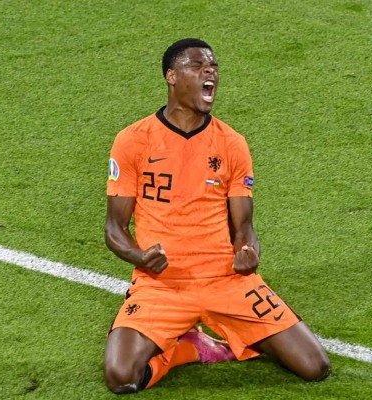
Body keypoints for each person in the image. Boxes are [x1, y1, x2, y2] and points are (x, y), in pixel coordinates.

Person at [103, 38, 330, 394]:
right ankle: (188, 348)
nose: (210, 72)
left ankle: (232, 332)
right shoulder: (134, 140)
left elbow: (244, 227)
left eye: (214, 67)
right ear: (172, 77)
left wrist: (248, 252)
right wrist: (138, 257)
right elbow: (114, 227)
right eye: (197, 66)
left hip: (226, 280)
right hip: (162, 284)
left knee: (315, 366)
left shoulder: (231, 143)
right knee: (121, 377)